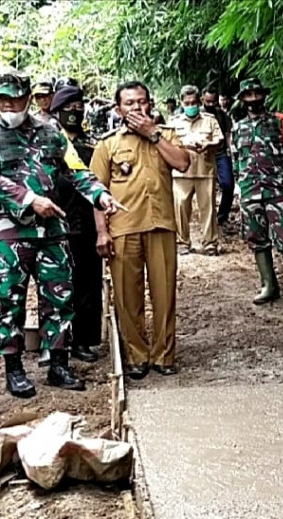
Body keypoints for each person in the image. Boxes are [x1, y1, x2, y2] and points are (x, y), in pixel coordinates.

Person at [0, 71, 119, 397]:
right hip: (11, 232)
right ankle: (14, 369)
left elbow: (77, 171)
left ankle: (58, 364)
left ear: (28, 99)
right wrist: (30, 199)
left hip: (52, 231)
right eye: (3, 100)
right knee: (11, 300)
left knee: (59, 297)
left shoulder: (51, 133)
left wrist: (99, 195)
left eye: (15, 100)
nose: (9, 106)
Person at [90, 80, 191, 379]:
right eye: (130, 103)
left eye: (142, 101)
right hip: (123, 228)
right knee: (127, 297)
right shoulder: (108, 144)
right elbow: (96, 191)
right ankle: (136, 355)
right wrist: (102, 232)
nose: (137, 107)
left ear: (150, 103)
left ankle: (164, 355)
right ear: (118, 109)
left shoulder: (166, 134)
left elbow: (183, 163)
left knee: (164, 294)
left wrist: (152, 133)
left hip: (161, 224)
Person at [231, 78, 283, 307]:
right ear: (242, 99)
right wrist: (240, 186)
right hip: (250, 190)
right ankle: (268, 286)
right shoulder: (238, 128)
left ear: (263, 96)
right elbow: (236, 160)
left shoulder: (279, 122)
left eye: (257, 94)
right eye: (248, 95)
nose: (253, 99)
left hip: (277, 189)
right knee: (257, 239)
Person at [48, 83, 107, 363]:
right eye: (67, 108)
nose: (73, 112)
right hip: (54, 224)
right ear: (56, 111)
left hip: (86, 224)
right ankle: (55, 343)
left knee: (88, 284)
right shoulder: (47, 142)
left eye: (78, 108)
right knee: (55, 286)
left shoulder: (93, 145)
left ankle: (83, 340)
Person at [170, 85, 224, 255]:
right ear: (181, 103)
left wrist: (209, 144)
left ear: (199, 101)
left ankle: (210, 243)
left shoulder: (210, 120)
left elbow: (220, 140)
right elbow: (166, 145)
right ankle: (182, 242)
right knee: (180, 208)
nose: (191, 106)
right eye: (187, 103)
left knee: (208, 209)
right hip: (181, 173)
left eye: (193, 102)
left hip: (205, 170)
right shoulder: (174, 122)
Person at [202, 87, 237, 231]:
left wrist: (231, 153)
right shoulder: (197, 115)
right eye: (207, 101)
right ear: (202, 99)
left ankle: (222, 217)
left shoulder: (222, 115)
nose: (210, 104)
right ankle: (206, 220)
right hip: (203, 155)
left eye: (213, 102)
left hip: (221, 154)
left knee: (228, 184)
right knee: (205, 189)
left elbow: (228, 135)